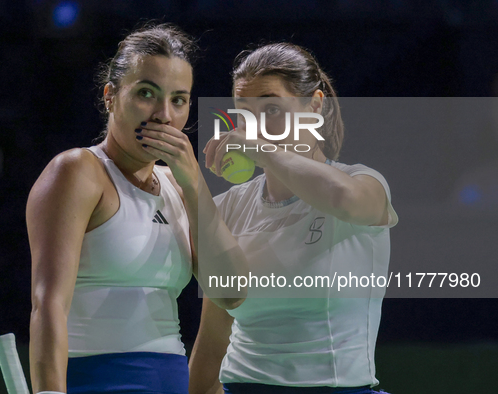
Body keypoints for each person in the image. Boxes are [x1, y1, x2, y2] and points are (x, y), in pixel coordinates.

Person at [26, 23, 247, 394]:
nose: (163, 114)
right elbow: (47, 304)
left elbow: (231, 291)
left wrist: (194, 185)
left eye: (178, 99)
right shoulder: (78, 171)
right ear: (111, 96)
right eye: (147, 93)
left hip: (172, 383)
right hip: (95, 383)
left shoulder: (180, 185)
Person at [189, 43, 398, 394]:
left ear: (315, 105)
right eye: (244, 112)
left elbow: (345, 201)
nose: (254, 126)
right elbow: (212, 338)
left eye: (271, 109)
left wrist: (262, 150)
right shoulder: (228, 206)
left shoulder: (365, 183)